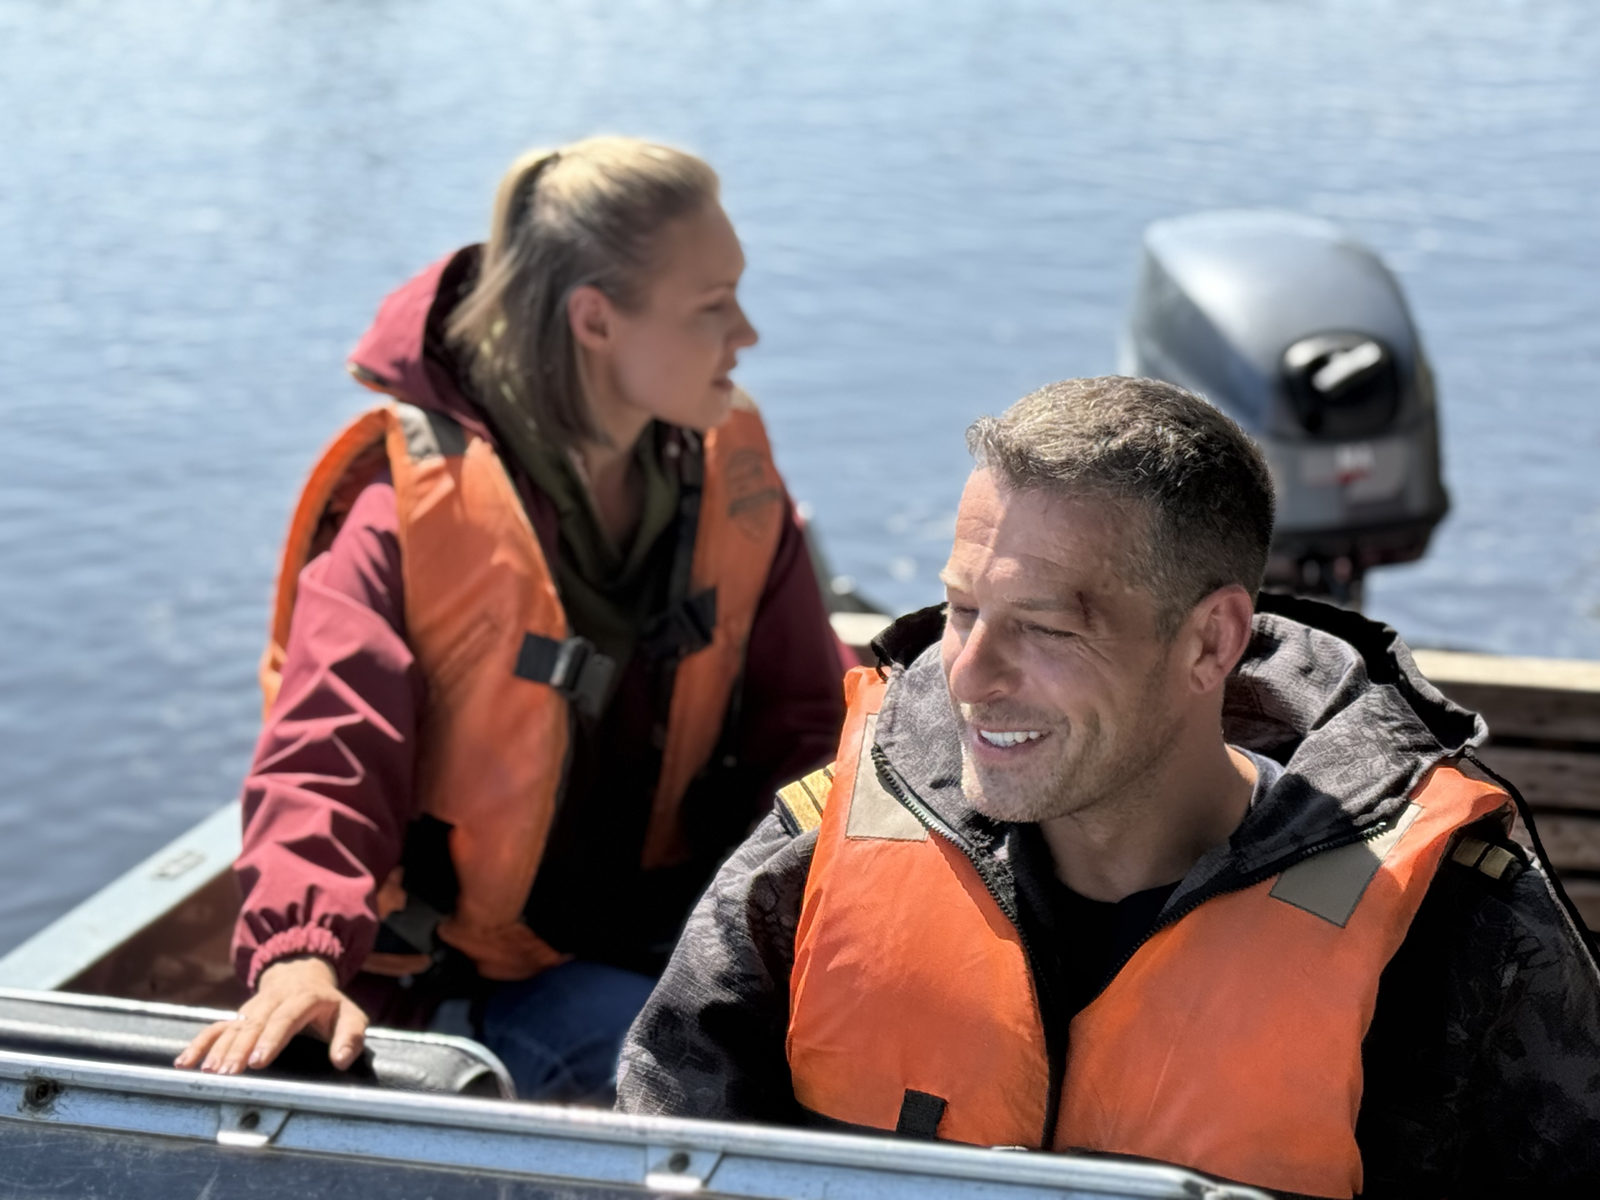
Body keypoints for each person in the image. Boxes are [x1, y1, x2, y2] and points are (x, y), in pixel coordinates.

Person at [617, 376, 1600, 1197]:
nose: (970, 675)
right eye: (961, 610)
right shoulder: (812, 859)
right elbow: (659, 1159)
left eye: (1045, 627)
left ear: (1210, 641)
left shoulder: (1453, 933)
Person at [174, 137, 848, 1101]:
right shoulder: (408, 511)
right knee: (696, 1076)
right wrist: (300, 959)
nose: (746, 333)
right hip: (464, 982)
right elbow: (325, 756)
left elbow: (806, 727)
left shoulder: (723, 470)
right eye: (713, 304)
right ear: (595, 319)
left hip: (661, 931)